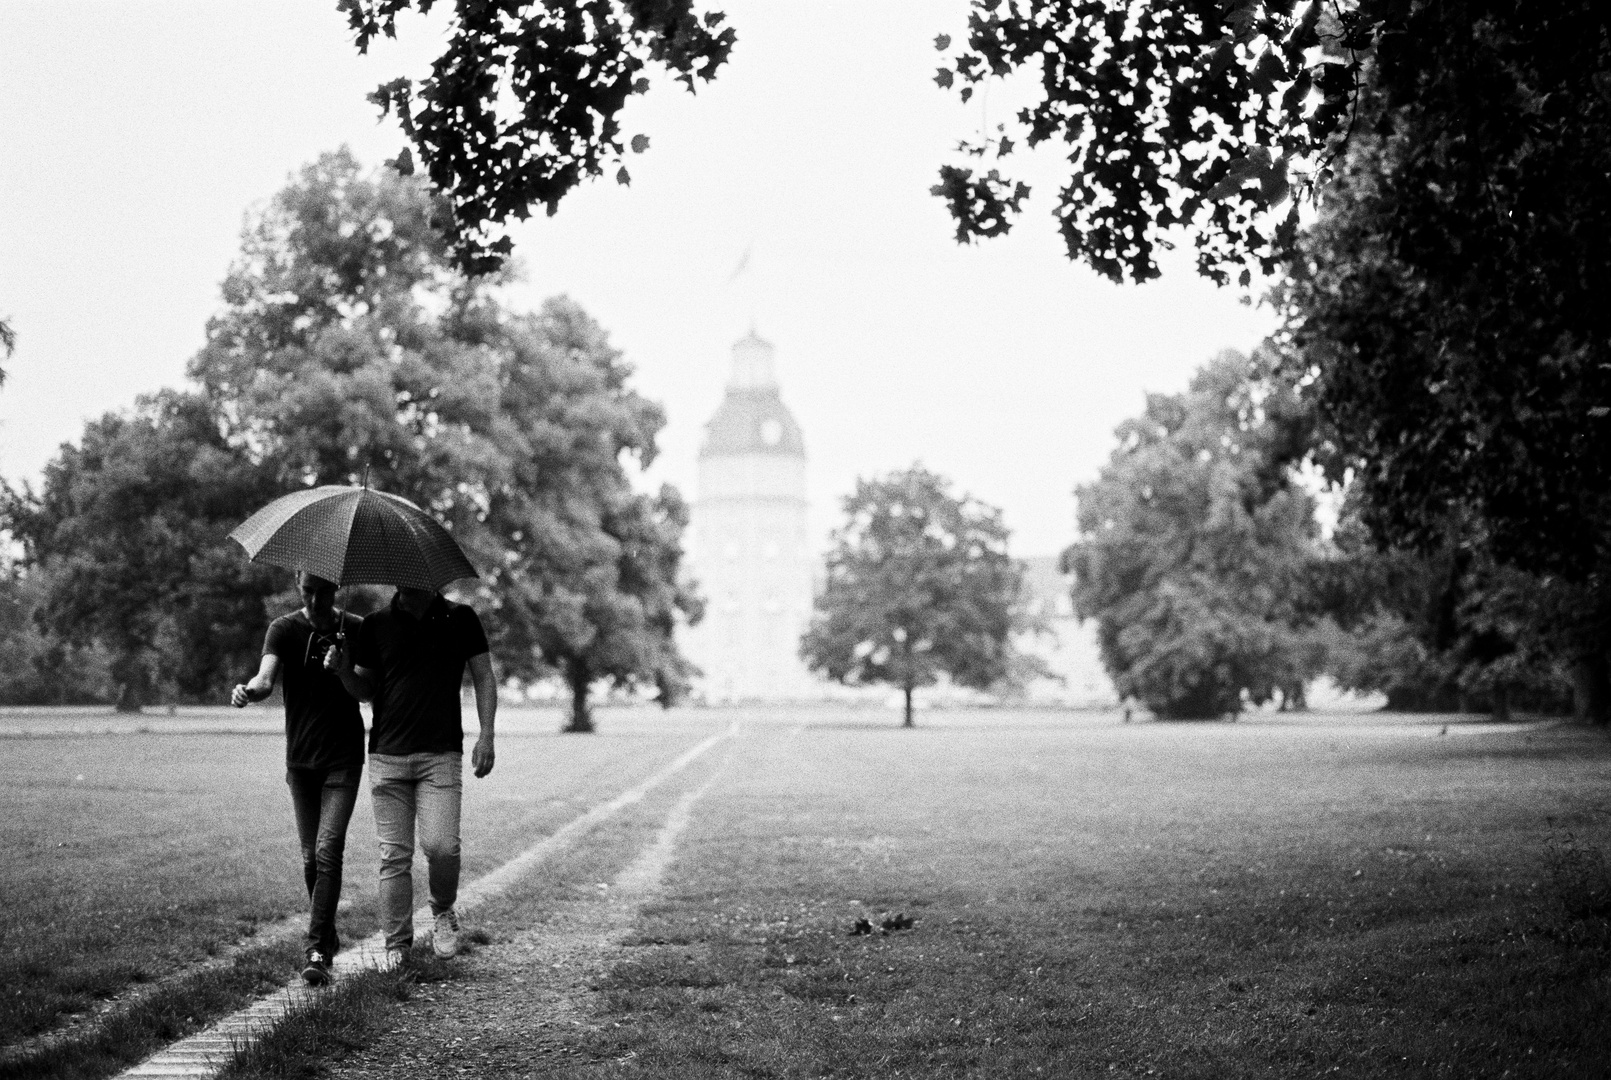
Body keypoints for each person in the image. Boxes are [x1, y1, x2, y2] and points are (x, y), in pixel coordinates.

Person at [326, 584, 496, 964]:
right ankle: (396, 947)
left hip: (441, 754)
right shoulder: (375, 624)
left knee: (441, 846)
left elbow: (484, 676)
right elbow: (365, 689)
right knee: (393, 856)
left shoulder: (460, 618)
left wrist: (487, 734)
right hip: (387, 756)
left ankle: (443, 911)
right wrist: (342, 671)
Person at [231, 571, 364, 987]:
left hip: (343, 757)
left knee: (327, 851)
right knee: (310, 858)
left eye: (322, 592)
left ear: (334, 590)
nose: (314, 599)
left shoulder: (356, 628)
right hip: (301, 760)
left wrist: (342, 670)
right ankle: (327, 934)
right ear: (298, 585)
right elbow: (265, 679)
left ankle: (316, 950)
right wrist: (248, 692)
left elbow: (367, 691)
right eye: (307, 590)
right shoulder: (284, 629)